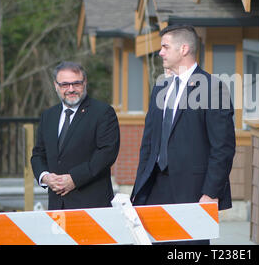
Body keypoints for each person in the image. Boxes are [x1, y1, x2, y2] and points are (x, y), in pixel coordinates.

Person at [130, 25, 235, 245]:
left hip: (193, 192)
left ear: (184, 49)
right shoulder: (160, 88)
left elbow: (223, 147)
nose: (160, 52)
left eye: (165, 47)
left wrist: (211, 192)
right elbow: (148, 143)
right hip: (155, 188)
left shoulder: (212, 88)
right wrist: (139, 186)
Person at [31, 61, 120, 210]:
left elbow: (106, 153)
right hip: (57, 205)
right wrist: (45, 177)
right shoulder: (48, 116)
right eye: (65, 85)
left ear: (85, 83)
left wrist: (74, 179)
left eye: (76, 84)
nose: (71, 89)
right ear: (56, 86)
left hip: (92, 205)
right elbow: (38, 154)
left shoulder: (103, 112)